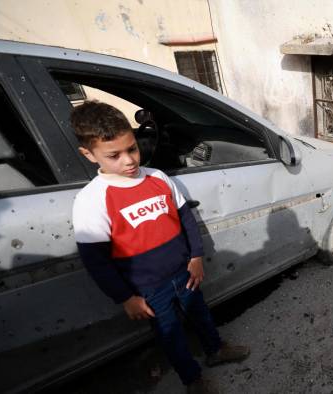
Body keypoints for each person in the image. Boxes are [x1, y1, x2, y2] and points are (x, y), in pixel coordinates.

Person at [70, 101, 249, 393]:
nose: (128, 161)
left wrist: (196, 256)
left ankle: (216, 350)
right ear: (88, 154)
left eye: (132, 149)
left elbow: (185, 218)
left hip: (185, 272)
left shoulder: (157, 177)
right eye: (114, 155)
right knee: (170, 334)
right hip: (148, 288)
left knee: (201, 314)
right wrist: (126, 298)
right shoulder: (92, 200)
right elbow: (96, 261)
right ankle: (192, 380)